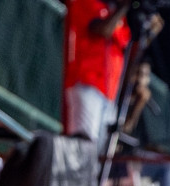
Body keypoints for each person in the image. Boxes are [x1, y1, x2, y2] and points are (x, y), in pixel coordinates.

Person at [63, 0, 155, 142]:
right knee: (83, 146)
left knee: (99, 154)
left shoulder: (120, 20)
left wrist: (148, 36)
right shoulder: (87, 3)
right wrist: (124, 6)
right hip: (87, 84)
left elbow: (130, 62)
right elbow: (103, 30)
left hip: (109, 94)